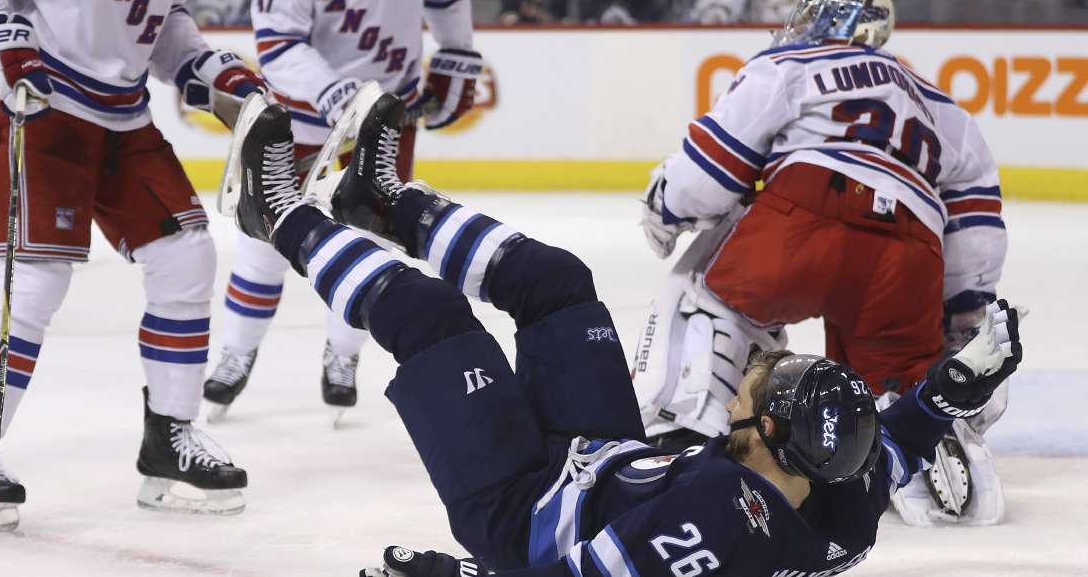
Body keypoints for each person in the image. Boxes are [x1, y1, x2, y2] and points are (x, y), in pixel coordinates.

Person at [226, 84, 1023, 577]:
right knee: (560, 287)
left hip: (519, 511)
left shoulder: (715, 519)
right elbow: (890, 446)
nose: (766, 359)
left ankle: (280, 215)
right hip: (603, 457)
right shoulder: (834, 495)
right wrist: (957, 387)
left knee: (436, 325)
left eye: (771, 378)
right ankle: (383, 201)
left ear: (764, 428)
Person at [0, 0, 269, 529]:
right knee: (36, 274)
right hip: (44, 98)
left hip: (123, 111)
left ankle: (169, 439)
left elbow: (163, 20)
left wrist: (212, 70)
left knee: (186, 252)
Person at [634, 0, 1010, 526]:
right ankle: (937, 461)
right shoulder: (943, 107)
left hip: (809, 213)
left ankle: (687, 434)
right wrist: (963, 315)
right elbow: (975, 221)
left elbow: (715, 167)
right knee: (893, 374)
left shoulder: (792, 63)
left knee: (705, 300)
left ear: (831, 21)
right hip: (912, 248)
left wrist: (667, 205)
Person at [204, 0, 481, 420]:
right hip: (300, 118)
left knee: (372, 236)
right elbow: (279, 45)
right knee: (265, 239)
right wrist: (337, 97)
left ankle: (343, 354)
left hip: (383, 114)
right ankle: (236, 354)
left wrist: (457, 54)